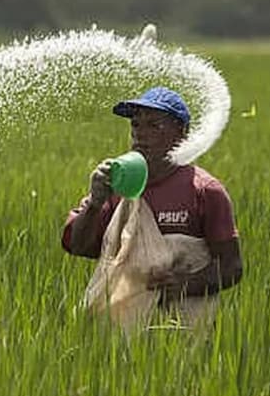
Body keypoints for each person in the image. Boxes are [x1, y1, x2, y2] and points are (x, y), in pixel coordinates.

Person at [63, 87, 243, 310]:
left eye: (154, 126)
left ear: (182, 134)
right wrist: (94, 204)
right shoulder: (116, 185)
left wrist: (186, 284)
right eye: (136, 125)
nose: (140, 134)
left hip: (185, 322)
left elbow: (231, 267)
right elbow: (78, 247)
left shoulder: (205, 191)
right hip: (121, 324)